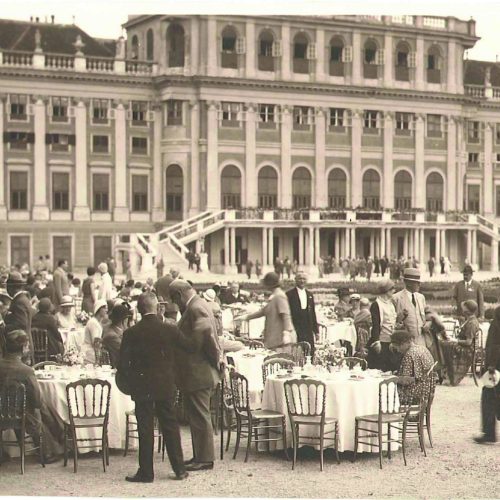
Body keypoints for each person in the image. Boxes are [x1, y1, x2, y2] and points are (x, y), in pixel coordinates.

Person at [117, 292, 188, 482]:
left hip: (142, 386)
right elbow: (185, 352)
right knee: (170, 426)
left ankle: (146, 472)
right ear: (156, 307)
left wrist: (132, 384)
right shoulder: (169, 329)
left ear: (139, 310)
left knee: (145, 428)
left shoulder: (131, 333)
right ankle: (179, 468)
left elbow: (123, 364)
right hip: (165, 384)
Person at [168, 280, 222, 472]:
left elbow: (199, 343)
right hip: (197, 372)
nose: (176, 305)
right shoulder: (198, 305)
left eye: (174, 300)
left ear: (178, 295)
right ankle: (200, 455)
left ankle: (205, 458)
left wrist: (174, 331)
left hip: (198, 372)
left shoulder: (195, 309)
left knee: (200, 416)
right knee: (196, 416)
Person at [0, 330, 61, 462]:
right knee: (40, 407)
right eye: (27, 346)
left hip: (1, 412)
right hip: (21, 415)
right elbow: (37, 401)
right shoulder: (26, 370)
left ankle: (59, 436)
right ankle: (48, 451)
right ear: (23, 348)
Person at [237, 272, 295, 353]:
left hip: (280, 339)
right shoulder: (274, 296)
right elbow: (263, 311)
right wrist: (246, 317)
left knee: (279, 361)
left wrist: (286, 333)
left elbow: (286, 315)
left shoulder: (279, 296)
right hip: (274, 336)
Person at [474, 305, 500, 444]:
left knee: (489, 398)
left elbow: (495, 344)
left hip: (497, 367)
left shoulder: (497, 316)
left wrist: (491, 365)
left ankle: (489, 433)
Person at [390, 328, 436, 407]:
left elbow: (406, 381)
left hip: (413, 395)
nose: (397, 350)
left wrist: (392, 378)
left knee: (383, 391)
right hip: (426, 392)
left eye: (397, 347)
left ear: (404, 343)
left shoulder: (409, 355)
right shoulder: (423, 349)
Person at [442, 299, 480, 386]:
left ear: (467, 310)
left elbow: (468, 342)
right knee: (443, 344)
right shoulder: (468, 320)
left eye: (464, 308)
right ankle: (444, 373)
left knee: (445, 345)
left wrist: (455, 340)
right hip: (464, 347)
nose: (462, 309)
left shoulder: (472, 323)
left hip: (468, 350)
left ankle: (449, 375)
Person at [367, 279, 400, 372]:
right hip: (382, 341)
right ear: (386, 290)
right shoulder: (377, 304)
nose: (394, 291)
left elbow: (392, 321)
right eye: (392, 289)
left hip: (391, 341)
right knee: (380, 368)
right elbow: (375, 324)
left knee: (392, 368)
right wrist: (377, 341)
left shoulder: (390, 303)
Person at [286, 271, 319, 355]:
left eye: (304, 279)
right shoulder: (289, 294)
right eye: (300, 278)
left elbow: (312, 314)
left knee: (309, 351)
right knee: (297, 351)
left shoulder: (309, 295)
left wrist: (316, 331)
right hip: (295, 326)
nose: (302, 281)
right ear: (295, 280)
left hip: (308, 327)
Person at [392, 268, 427, 347]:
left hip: (421, 341)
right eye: (417, 283)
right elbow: (391, 321)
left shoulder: (421, 297)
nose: (419, 285)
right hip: (405, 343)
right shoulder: (396, 298)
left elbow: (426, 316)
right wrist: (400, 318)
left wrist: (428, 323)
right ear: (408, 283)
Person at [5, 272, 34, 364]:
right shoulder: (23, 299)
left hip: (20, 345)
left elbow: (21, 324)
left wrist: (4, 327)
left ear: (11, 287)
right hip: (23, 343)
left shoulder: (19, 302)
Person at [102, 304, 132, 369]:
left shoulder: (113, 330)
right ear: (124, 320)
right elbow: (127, 351)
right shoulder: (111, 336)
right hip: (117, 368)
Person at [422, 306, 447, 382]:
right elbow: (442, 327)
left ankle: (433, 375)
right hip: (434, 338)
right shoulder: (433, 316)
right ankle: (440, 375)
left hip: (429, 338)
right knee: (437, 357)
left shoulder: (428, 317)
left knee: (432, 356)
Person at [82, 299, 108, 364]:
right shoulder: (94, 323)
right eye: (104, 308)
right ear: (99, 309)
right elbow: (96, 342)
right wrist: (98, 360)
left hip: (91, 352)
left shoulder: (96, 322)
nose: (106, 310)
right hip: (90, 354)